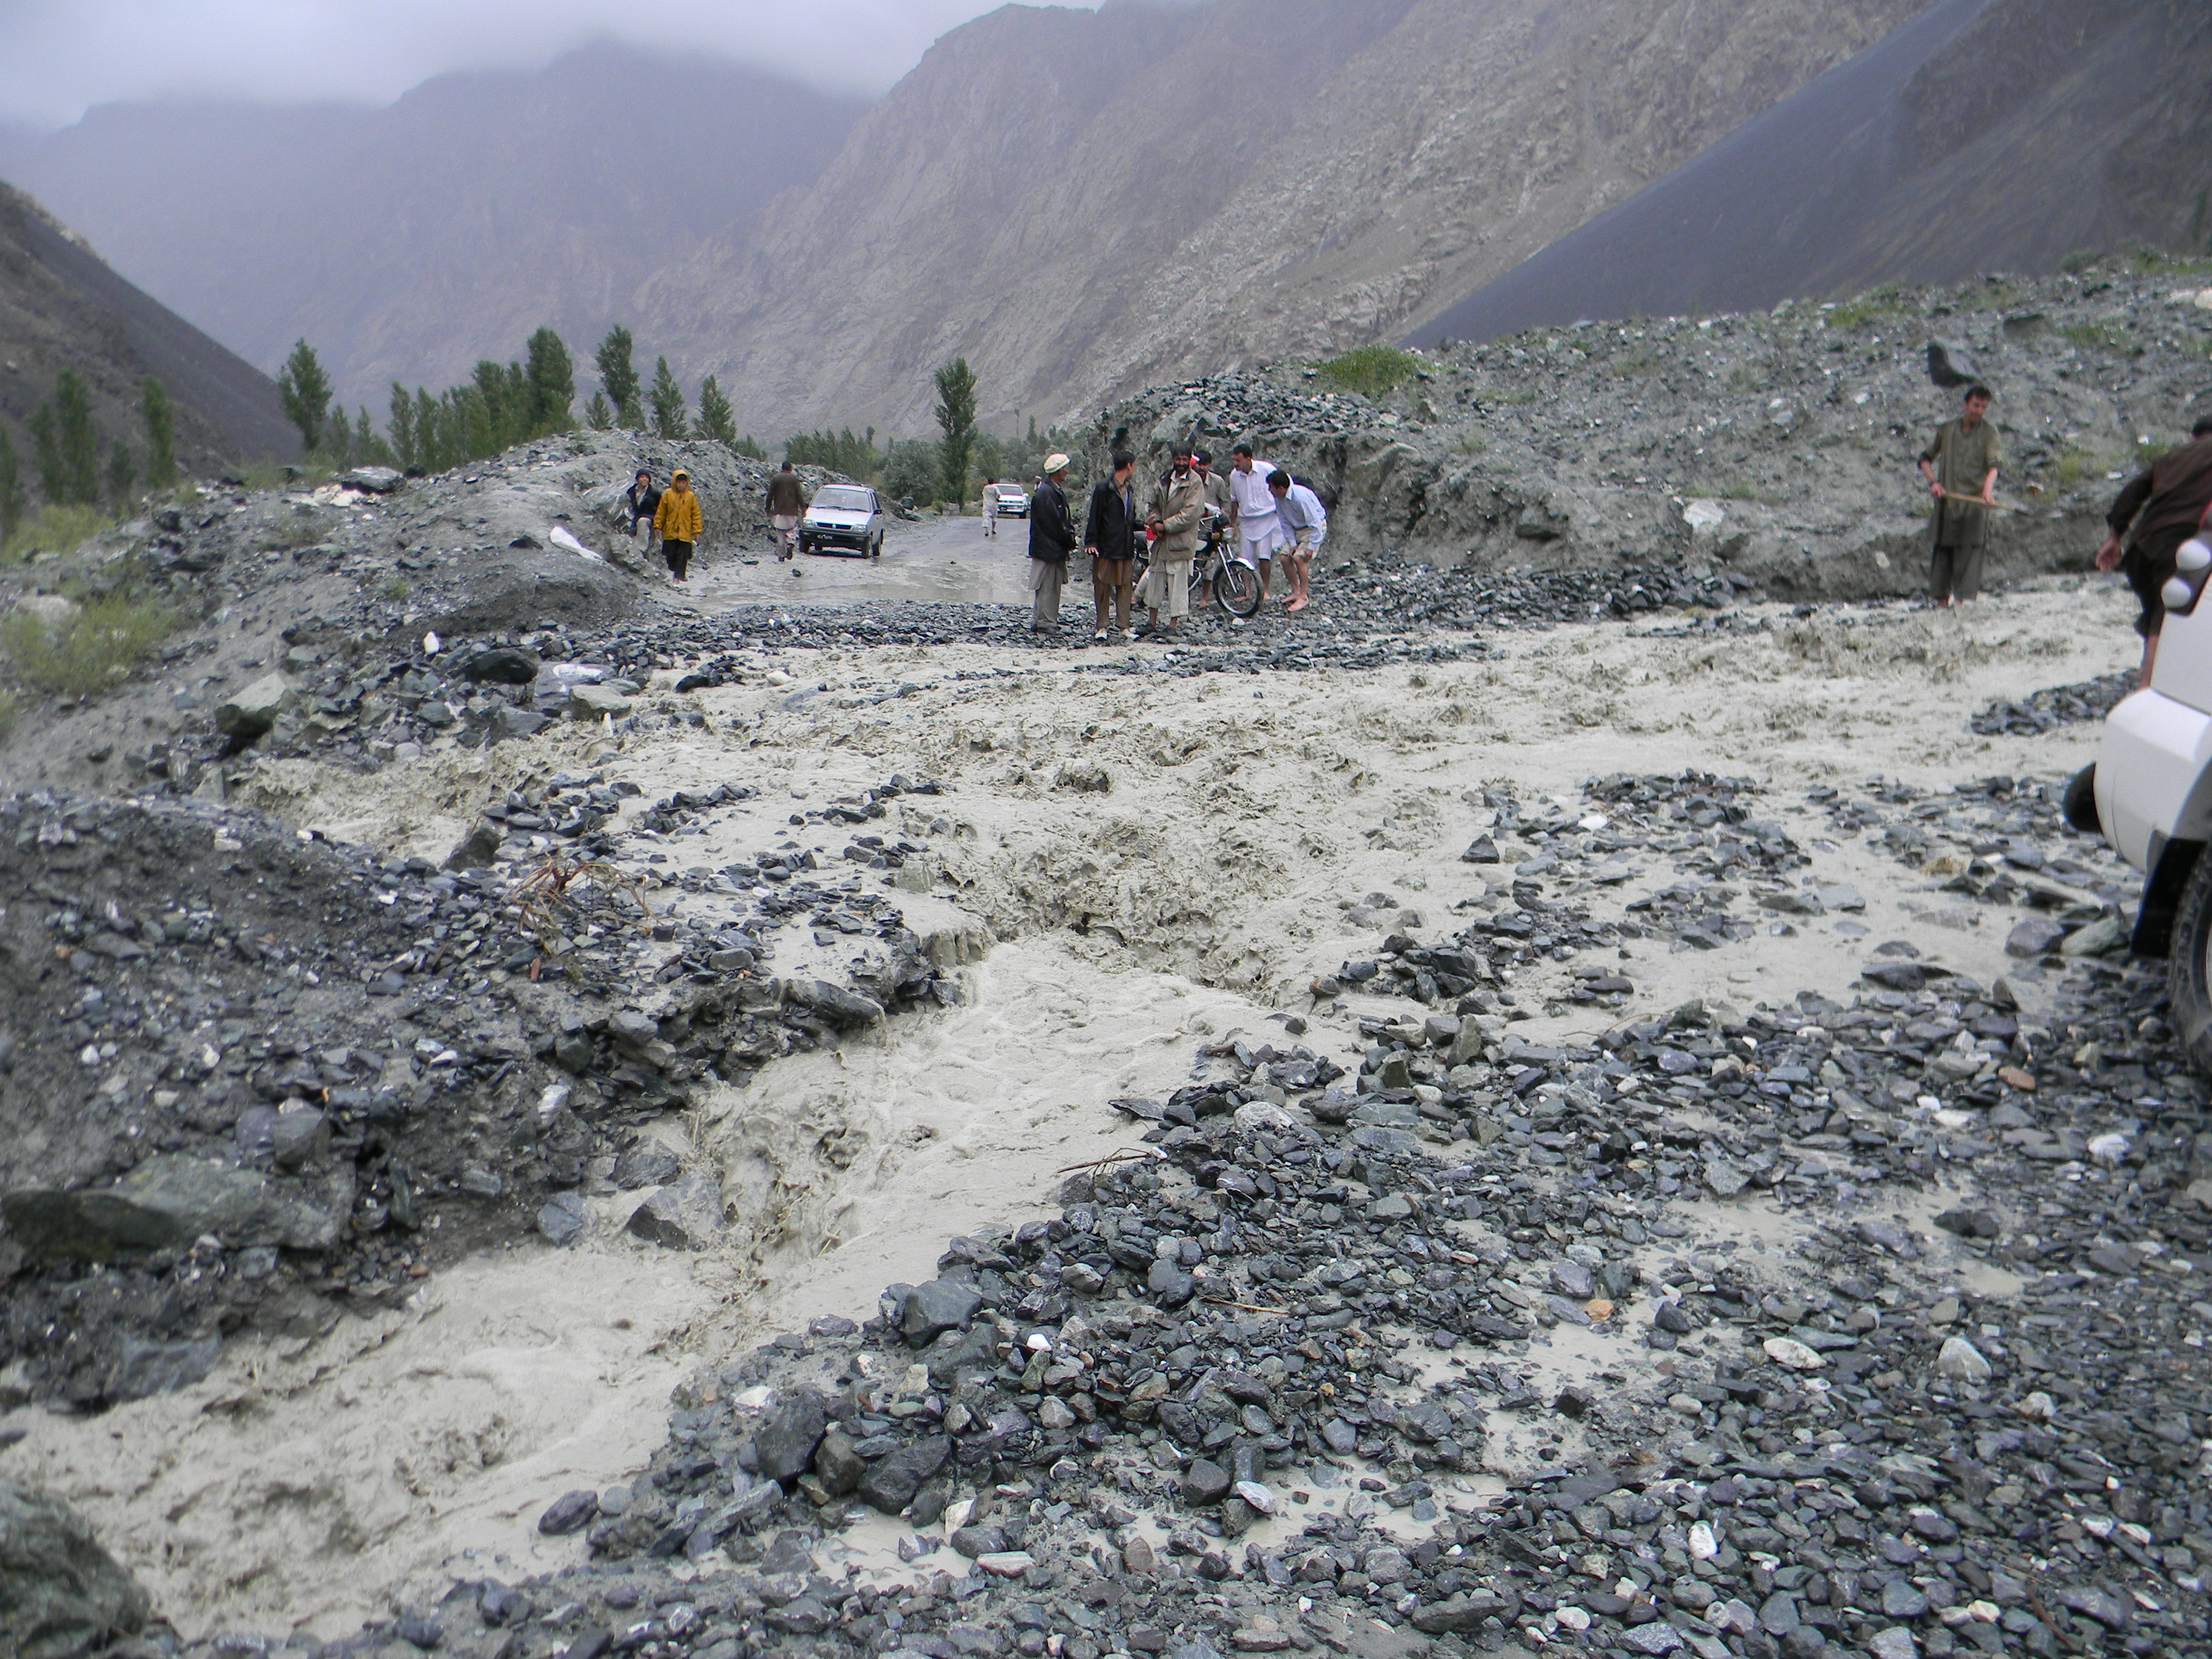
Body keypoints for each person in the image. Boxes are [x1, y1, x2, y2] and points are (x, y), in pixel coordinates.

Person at [2096, 414, 2212, 684]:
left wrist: (2114, 538)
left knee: (2155, 616)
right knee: (2167, 619)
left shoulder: (2172, 456)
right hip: (2179, 548)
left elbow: (2133, 492)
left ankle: (2153, 672)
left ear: (2194, 437)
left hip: (2142, 547)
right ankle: (2149, 687)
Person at [1917, 384, 2002, 607]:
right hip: (1947, 505)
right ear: (1965, 404)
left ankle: (1960, 607)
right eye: (1975, 405)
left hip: (1973, 508)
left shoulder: (1990, 432)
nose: (1979, 411)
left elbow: (1993, 466)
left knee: (1969, 557)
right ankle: (1940, 605)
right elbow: (1925, 459)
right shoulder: (1947, 430)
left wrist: (1987, 491)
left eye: (1983, 407)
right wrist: (1933, 483)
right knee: (1942, 557)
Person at [1140, 445, 1204, 638]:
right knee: (1155, 581)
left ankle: (1173, 626)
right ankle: (1151, 622)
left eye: (1185, 459)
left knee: (1177, 584)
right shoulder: (1164, 479)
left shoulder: (1195, 483)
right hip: (1162, 542)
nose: (1182, 463)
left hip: (1180, 542)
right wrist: (1156, 521)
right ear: (1173, 460)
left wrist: (1165, 526)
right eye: (1178, 459)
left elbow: (1191, 514)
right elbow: (1153, 504)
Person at [1085, 450, 1140, 641]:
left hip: (1125, 546)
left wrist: (1142, 525)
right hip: (1106, 546)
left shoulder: (1130, 490)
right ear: (1129, 466)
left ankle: (1123, 625)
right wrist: (1091, 541)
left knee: (1125, 587)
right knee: (1102, 587)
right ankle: (1102, 626)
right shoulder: (1103, 489)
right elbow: (1095, 516)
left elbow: (1128, 519)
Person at [1227, 443, 1283, 604]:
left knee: (1264, 557)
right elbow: (1234, 501)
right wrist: (1233, 523)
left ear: (1248, 458)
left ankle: (1265, 590)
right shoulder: (1234, 476)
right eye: (1234, 460)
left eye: (1238, 460)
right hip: (1246, 521)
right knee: (1245, 558)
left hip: (1267, 518)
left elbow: (1282, 488)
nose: (1235, 464)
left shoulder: (1266, 469)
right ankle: (1247, 591)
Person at [1029, 453, 1076, 635]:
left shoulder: (1049, 491)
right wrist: (1069, 540)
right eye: (1065, 467)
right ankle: (1045, 622)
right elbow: (1055, 524)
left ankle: (1042, 620)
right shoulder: (1047, 493)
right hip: (1048, 549)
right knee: (1048, 585)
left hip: (1049, 548)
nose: (1067, 471)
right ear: (1058, 470)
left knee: (1048, 585)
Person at [1267, 470, 1327, 612]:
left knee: (1300, 558)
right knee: (1284, 557)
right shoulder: (1278, 498)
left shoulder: (1301, 497)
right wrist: (1293, 544)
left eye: (1271, 487)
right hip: (1296, 529)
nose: (1269, 490)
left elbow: (1316, 523)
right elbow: (1284, 522)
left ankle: (1304, 596)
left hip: (1313, 528)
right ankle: (1296, 591)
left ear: (1280, 488)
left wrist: (1311, 547)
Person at [654, 467, 702, 582]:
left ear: (687, 483)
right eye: (679, 482)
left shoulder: (690, 497)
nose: (681, 485)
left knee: (683, 555)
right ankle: (674, 570)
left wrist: (697, 530)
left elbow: (695, 514)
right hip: (671, 531)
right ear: (675, 482)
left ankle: (678, 577)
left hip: (685, 532)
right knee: (671, 555)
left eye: (683, 482)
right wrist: (658, 526)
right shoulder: (668, 494)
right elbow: (661, 512)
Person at [766, 461, 806, 561]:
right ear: (791, 469)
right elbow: (799, 495)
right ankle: (790, 544)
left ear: (782, 468)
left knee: (780, 532)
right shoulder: (795, 479)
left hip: (779, 510)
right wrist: (803, 509)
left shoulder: (776, 479)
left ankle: (781, 555)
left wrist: (768, 508)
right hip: (792, 510)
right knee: (791, 529)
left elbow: (770, 495)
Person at [625, 468, 661, 552]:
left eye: (647, 478)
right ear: (638, 479)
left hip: (650, 517)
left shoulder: (654, 493)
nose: (645, 479)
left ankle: (641, 548)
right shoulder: (631, 492)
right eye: (642, 477)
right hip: (635, 516)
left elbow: (661, 508)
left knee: (642, 521)